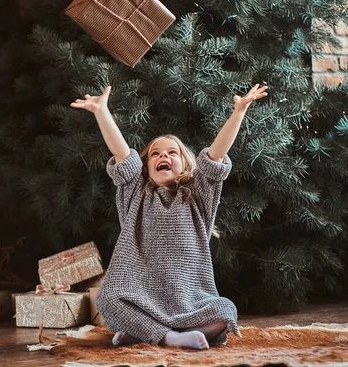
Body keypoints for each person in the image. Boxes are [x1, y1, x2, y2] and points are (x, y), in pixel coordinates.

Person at [70, 83, 268, 350]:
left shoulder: (199, 194)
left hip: (189, 299)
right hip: (140, 293)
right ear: (146, 167)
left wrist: (239, 113)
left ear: (186, 164)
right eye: (155, 154)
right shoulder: (135, 192)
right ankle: (170, 337)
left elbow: (216, 155)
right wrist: (101, 112)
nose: (163, 155)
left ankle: (145, 334)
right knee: (108, 299)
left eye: (172, 152)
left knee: (225, 310)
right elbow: (122, 153)